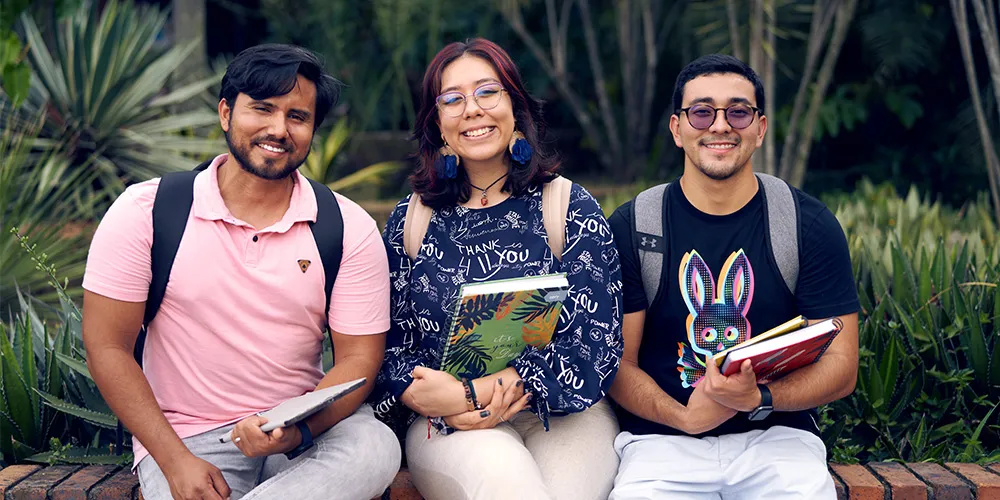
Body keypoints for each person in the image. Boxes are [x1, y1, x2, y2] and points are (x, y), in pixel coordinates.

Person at [82, 44, 400, 500]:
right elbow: (106, 347)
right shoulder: (147, 211)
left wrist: (297, 430)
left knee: (374, 448)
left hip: (299, 431)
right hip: (188, 441)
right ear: (226, 113)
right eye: (262, 109)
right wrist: (174, 462)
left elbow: (358, 363)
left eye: (298, 116)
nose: (278, 129)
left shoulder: (346, 227)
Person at [368, 38, 623, 500]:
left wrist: (489, 387)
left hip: (564, 413)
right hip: (448, 422)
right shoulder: (412, 219)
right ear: (437, 124)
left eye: (488, 92)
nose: (473, 110)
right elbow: (386, 346)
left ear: (515, 107)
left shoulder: (567, 206)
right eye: (453, 99)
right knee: (507, 487)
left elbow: (598, 342)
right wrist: (423, 394)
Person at [606, 54, 859, 499]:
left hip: (779, 443)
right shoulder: (635, 225)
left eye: (738, 111)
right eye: (702, 111)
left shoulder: (806, 224)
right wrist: (686, 417)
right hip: (661, 445)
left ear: (759, 128)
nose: (720, 125)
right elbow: (618, 366)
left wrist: (759, 398)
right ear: (677, 129)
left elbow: (841, 365)